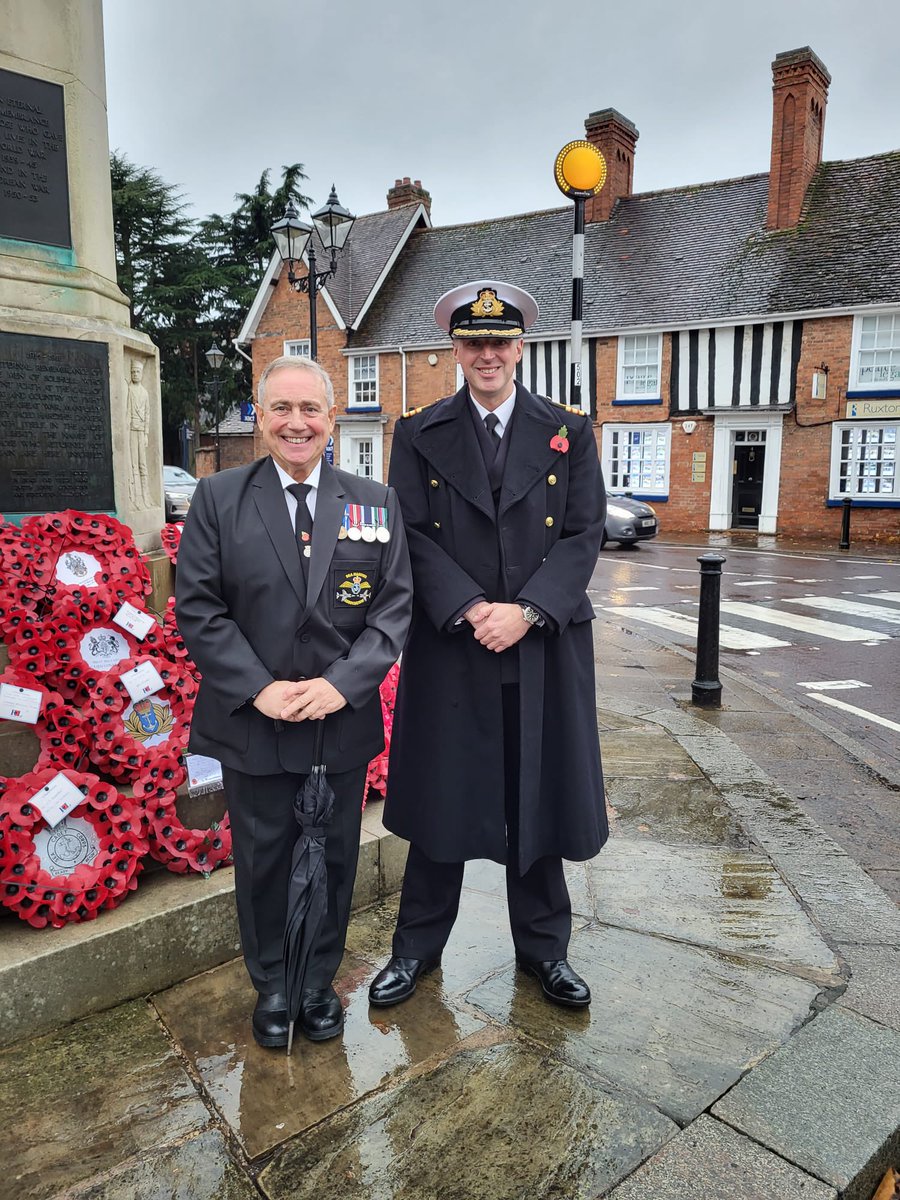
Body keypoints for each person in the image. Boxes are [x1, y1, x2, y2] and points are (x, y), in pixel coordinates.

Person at [369, 280, 608, 1010]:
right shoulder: (418, 430)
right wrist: (473, 608)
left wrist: (529, 611)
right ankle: (415, 949)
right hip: (455, 642)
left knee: (535, 795)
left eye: (499, 342)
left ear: (520, 348)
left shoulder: (568, 428)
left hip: (541, 645)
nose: (488, 355)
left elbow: (584, 531)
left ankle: (545, 951)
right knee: (443, 801)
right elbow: (407, 531)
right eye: (474, 343)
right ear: (456, 350)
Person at [176, 355, 412, 1049]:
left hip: (338, 722)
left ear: (331, 419)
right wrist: (261, 687)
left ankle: (318, 986)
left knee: (336, 858)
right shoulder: (219, 498)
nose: (296, 422)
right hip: (256, 721)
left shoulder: (373, 500)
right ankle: (274, 986)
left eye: (310, 409)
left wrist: (342, 683)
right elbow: (199, 609)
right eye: (282, 409)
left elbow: (393, 608)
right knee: (263, 857)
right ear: (261, 416)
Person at [126, 357, 153, 509]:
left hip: (141, 431)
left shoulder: (145, 393)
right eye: (133, 372)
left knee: (143, 465)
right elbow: (128, 412)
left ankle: (146, 495)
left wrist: (146, 434)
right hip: (131, 430)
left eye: (137, 371)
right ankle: (136, 497)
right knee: (133, 465)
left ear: (142, 374)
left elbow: (148, 414)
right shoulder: (129, 389)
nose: (135, 374)